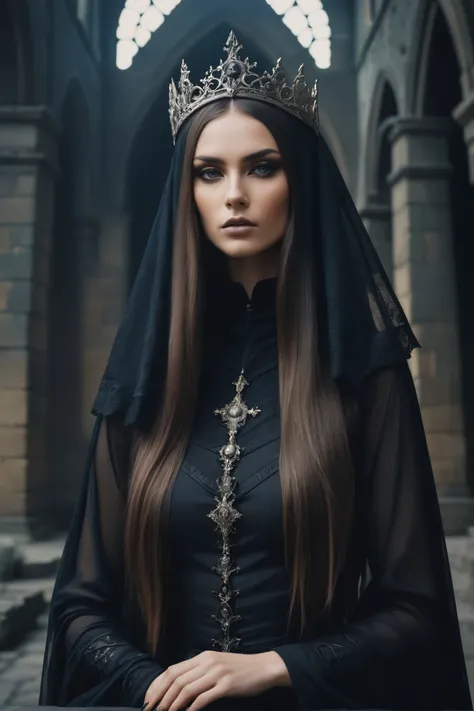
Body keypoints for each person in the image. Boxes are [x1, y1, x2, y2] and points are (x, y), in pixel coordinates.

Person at [39, 31, 472, 711]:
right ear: (187, 191)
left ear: (297, 178)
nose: (233, 193)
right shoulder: (146, 377)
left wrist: (278, 666)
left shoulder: (363, 373)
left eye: (261, 167)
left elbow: (416, 609)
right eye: (209, 171)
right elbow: (78, 607)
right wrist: (150, 681)